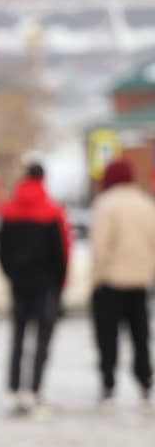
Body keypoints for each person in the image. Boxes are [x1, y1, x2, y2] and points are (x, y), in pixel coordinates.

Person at [0, 162, 70, 415]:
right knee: (41, 340)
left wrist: (13, 275)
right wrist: (59, 283)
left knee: (17, 338)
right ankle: (34, 391)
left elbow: (2, 252)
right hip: (45, 287)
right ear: (43, 179)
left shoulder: (9, 211)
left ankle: (13, 390)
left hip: (19, 285)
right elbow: (61, 253)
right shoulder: (53, 211)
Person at [89, 159, 155, 407]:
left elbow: (100, 247)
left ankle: (108, 384)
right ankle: (145, 383)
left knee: (108, 338)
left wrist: (96, 279)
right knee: (140, 337)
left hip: (110, 283)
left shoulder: (106, 204)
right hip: (139, 282)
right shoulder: (146, 204)